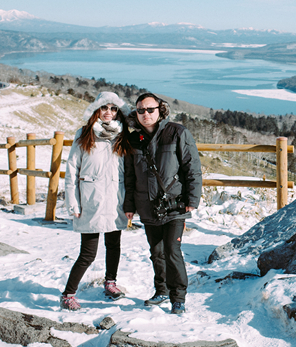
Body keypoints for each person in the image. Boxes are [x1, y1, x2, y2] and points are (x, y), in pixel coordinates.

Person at [124, 93, 202, 315]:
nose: (145, 114)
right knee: (156, 252)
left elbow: (191, 167)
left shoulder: (177, 132)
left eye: (150, 109)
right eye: (141, 110)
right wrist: (129, 205)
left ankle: (178, 297)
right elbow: (130, 176)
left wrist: (192, 199)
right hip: (147, 204)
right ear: (136, 113)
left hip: (175, 204)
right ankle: (161, 290)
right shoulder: (133, 140)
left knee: (172, 250)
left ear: (160, 110)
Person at [61, 92, 131, 311]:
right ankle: (68, 294)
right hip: (90, 200)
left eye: (113, 108)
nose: (109, 112)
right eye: (104, 108)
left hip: (115, 200)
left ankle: (110, 283)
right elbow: (72, 169)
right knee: (88, 253)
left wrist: (129, 204)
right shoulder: (84, 134)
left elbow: (129, 173)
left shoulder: (122, 135)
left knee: (114, 245)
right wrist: (73, 201)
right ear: (96, 111)